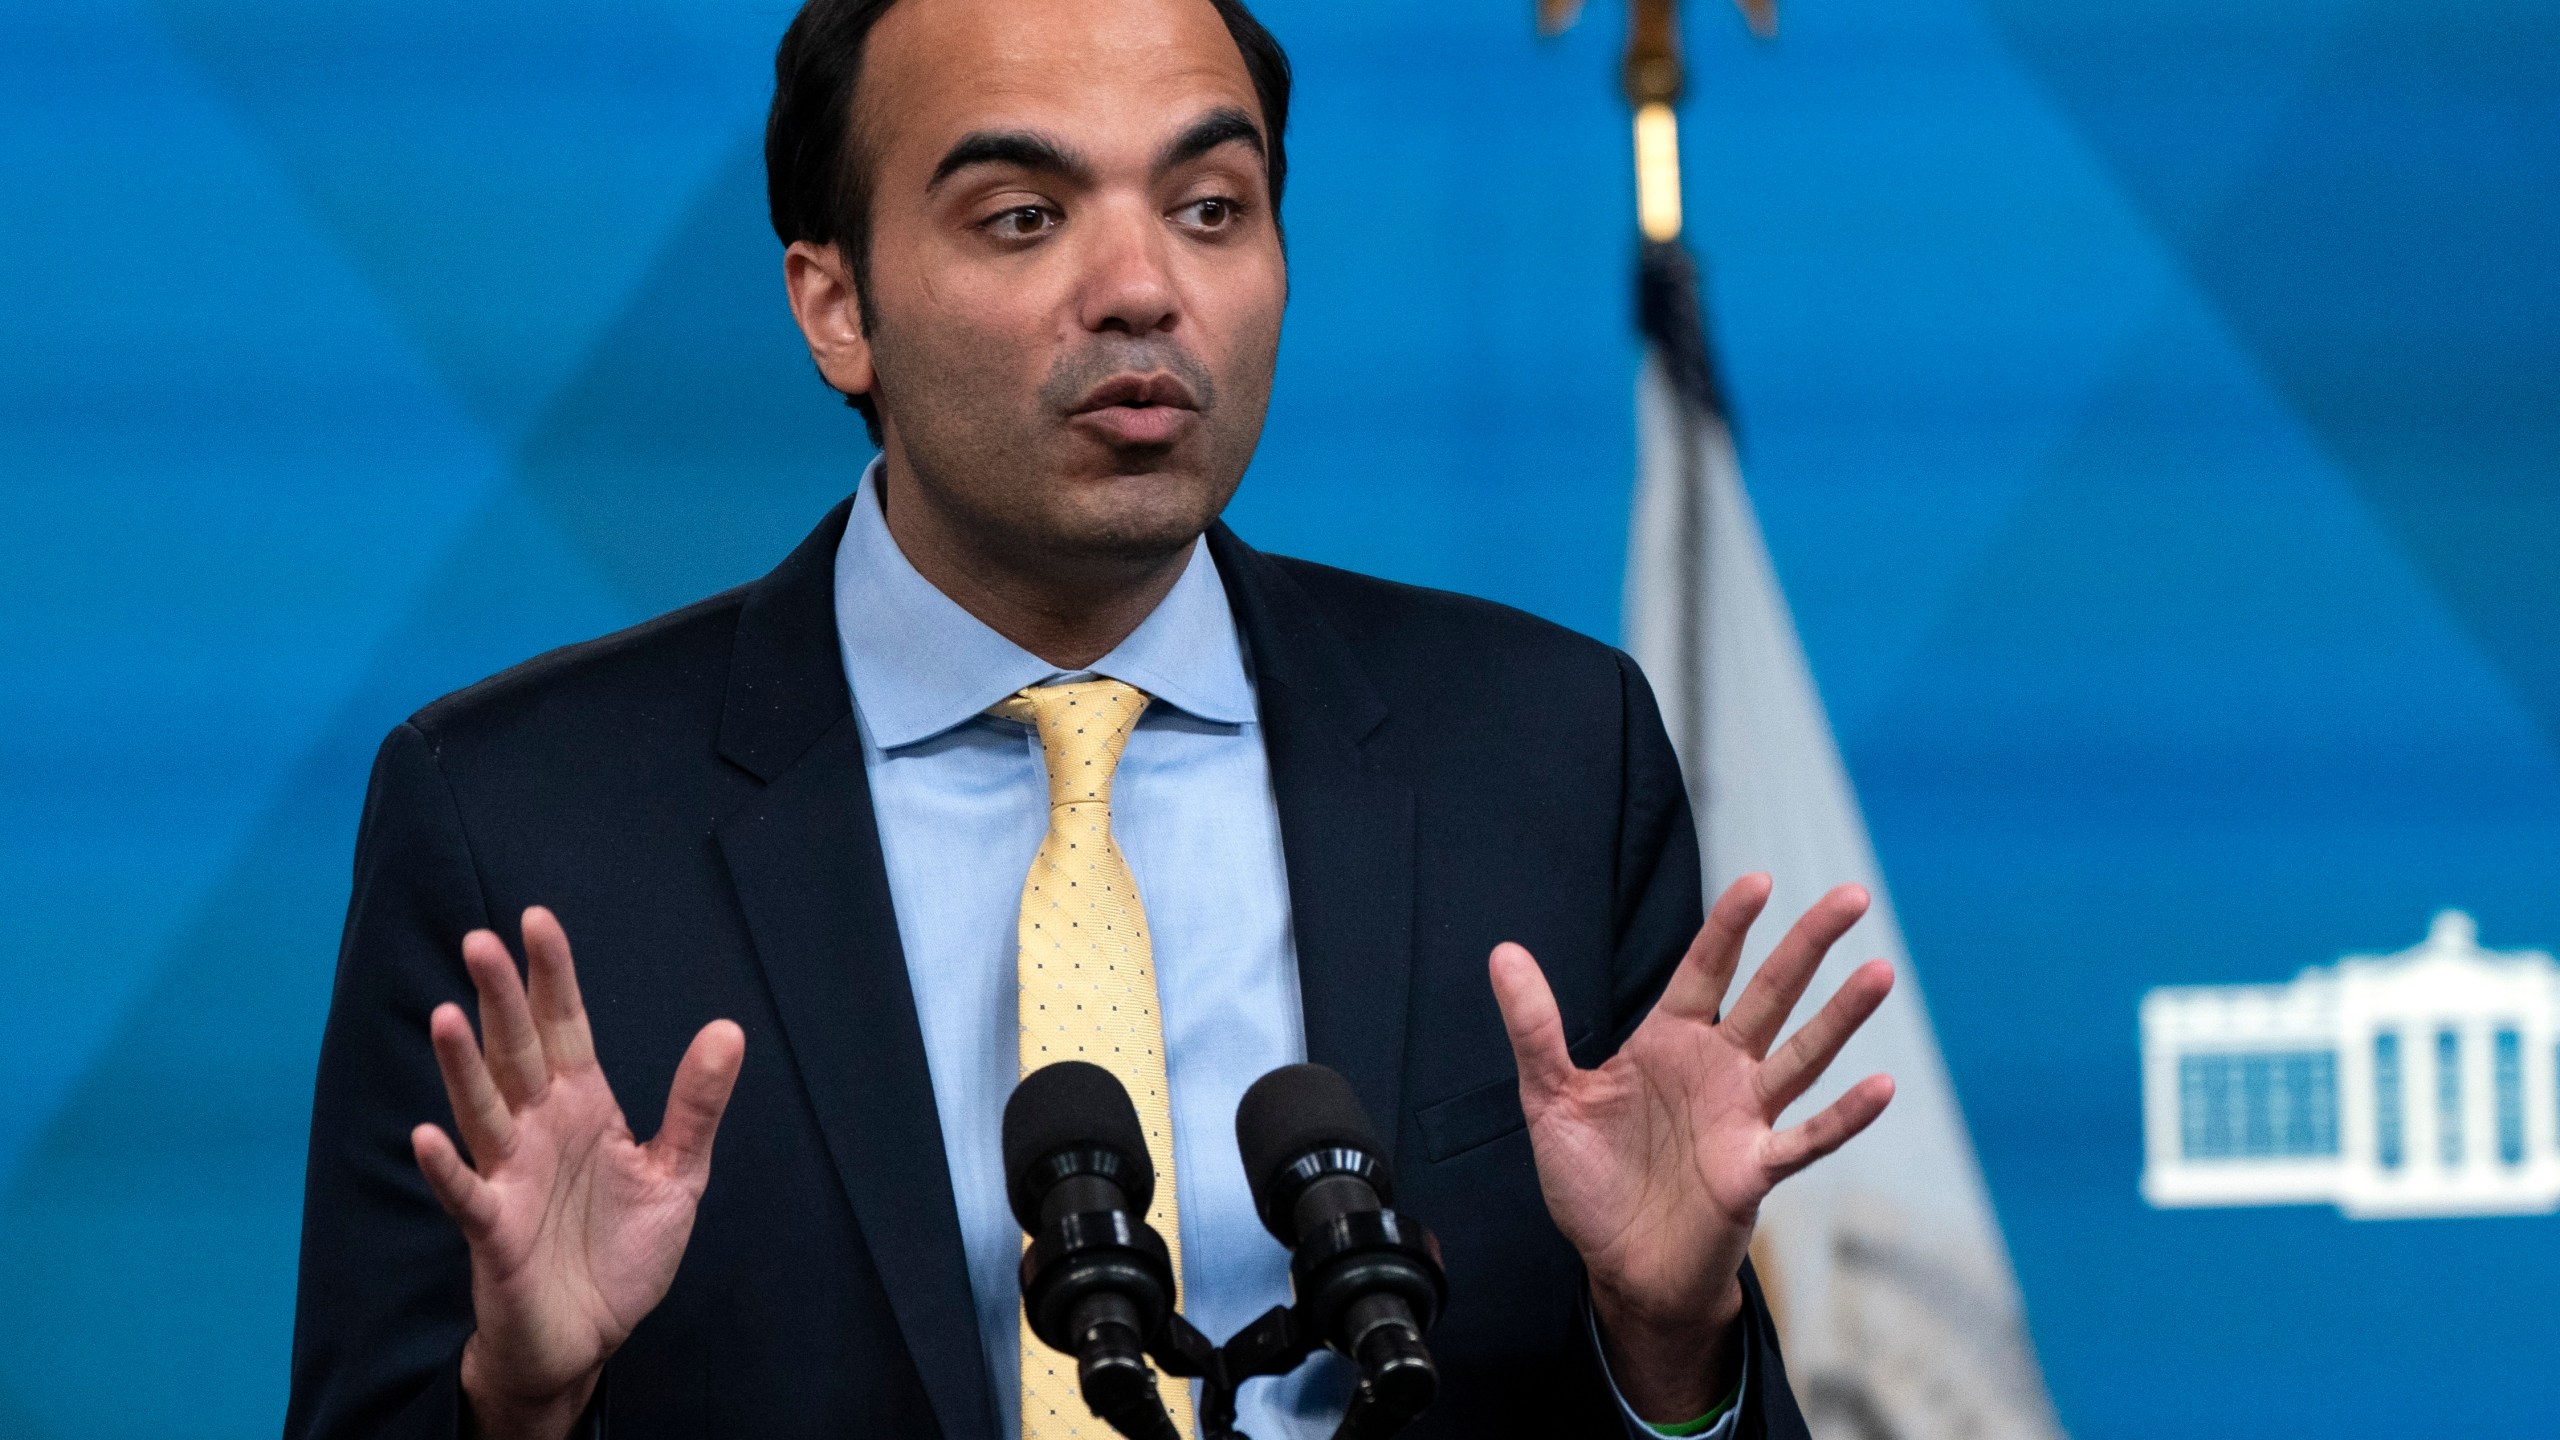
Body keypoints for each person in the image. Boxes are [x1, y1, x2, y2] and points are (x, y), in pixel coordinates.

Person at [281, 0, 1898, 1435]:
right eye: (1021, 216)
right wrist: (522, 1407)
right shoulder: (520, 826)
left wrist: (1669, 1342)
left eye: (1211, 206)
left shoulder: (1546, 754)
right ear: (834, 304)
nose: (1141, 289)